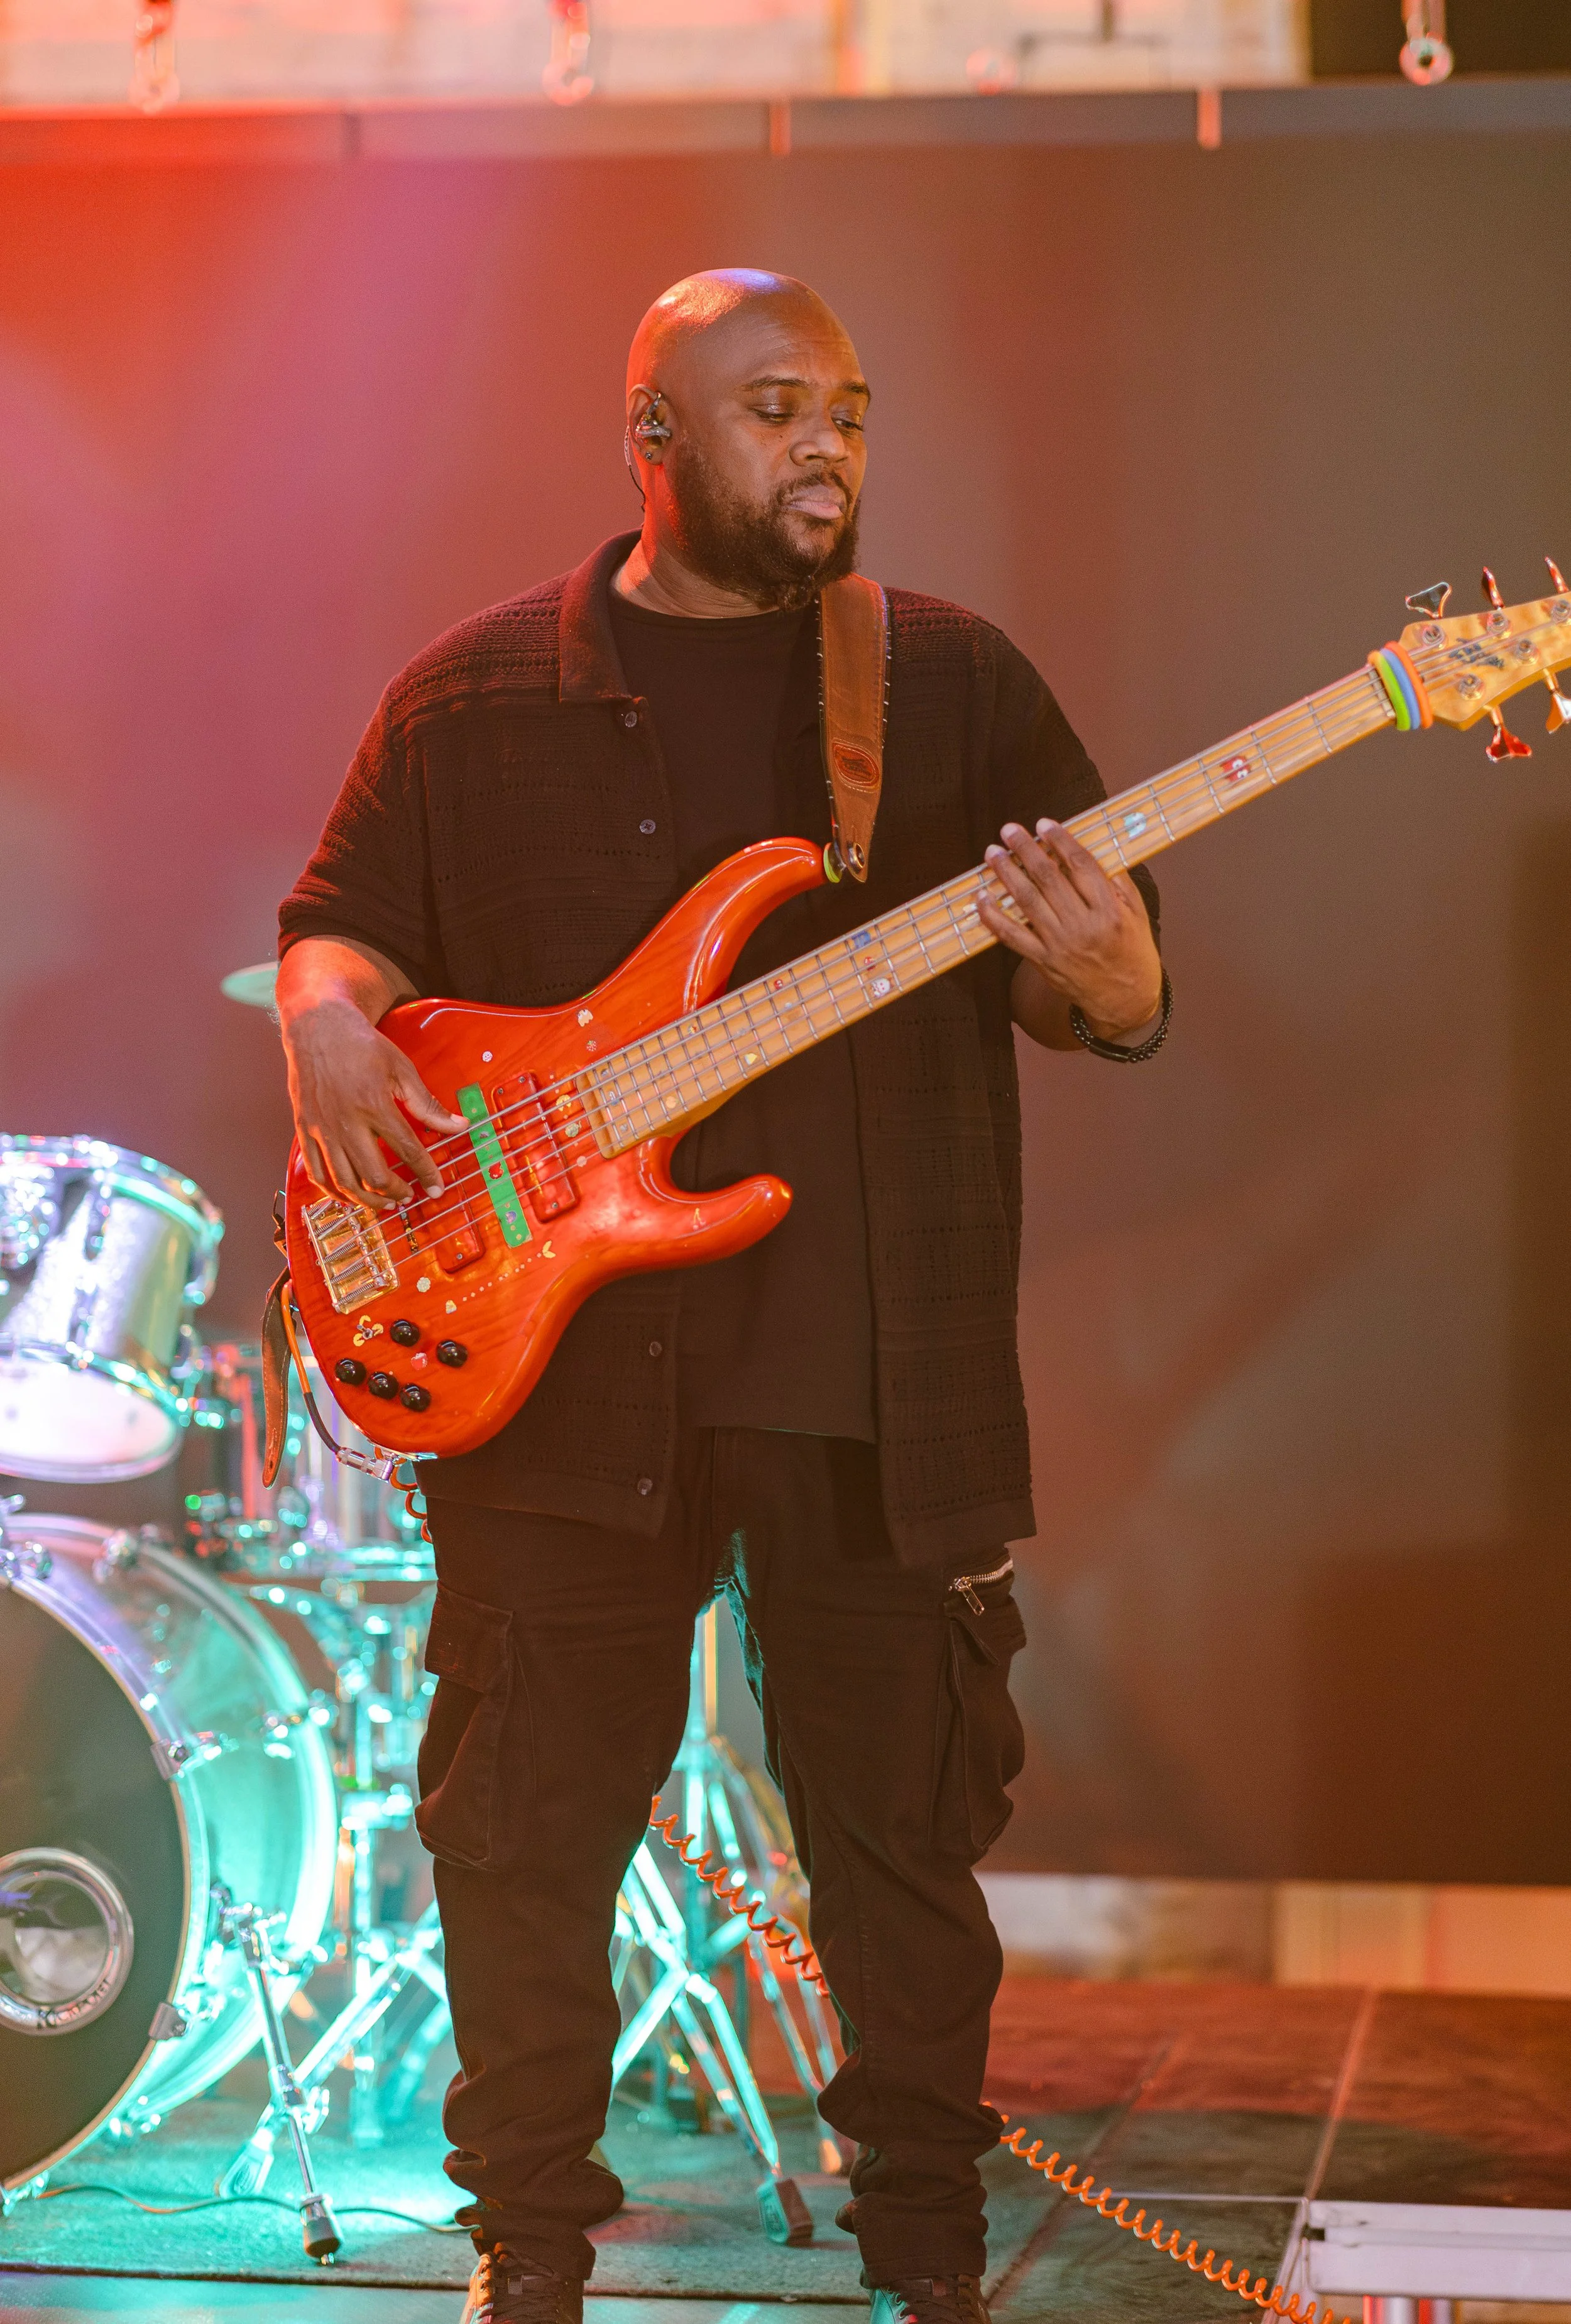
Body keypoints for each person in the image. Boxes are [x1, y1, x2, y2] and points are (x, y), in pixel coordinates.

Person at [275, 268, 1167, 2324]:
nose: (829, 445)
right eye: (776, 408)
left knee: (899, 1856)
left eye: (849, 407)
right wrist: (322, 1028)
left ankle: (926, 2273)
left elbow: (1098, 983)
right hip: (559, 1380)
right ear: (655, 438)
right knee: (522, 1845)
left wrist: (1115, 974)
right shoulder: (470, 696)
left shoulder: (946, 684)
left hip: (876, 1370)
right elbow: (337, 931)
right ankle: (526, 2269)